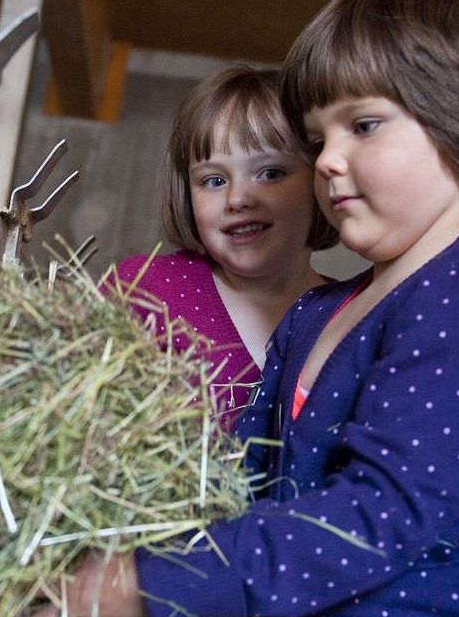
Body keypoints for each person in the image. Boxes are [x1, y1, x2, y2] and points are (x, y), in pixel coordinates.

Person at [15, 0, 459, 617]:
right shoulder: (327, 312)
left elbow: (367, 521)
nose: (330, 159)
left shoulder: (458, 302)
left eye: (364, 125)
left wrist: (144, 584)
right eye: (318, 136)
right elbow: (244, 477)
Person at [103, 65, 336, 428]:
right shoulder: (145, 289)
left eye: (270, 173)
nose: (238, 198)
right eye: (213, 180)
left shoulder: (353, 316)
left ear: (320, 178)